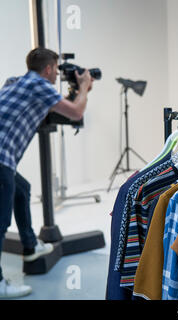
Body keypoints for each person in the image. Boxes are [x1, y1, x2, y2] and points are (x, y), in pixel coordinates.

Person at [0, 47, 93, 298]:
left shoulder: (14, 82)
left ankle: (30, 246)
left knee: (23, 189)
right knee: (0, 222)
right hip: (1, 159)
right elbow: (75, 112)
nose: (55, 76)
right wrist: (83, 86)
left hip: (4, 160)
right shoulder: (39, 85)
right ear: (50, 69)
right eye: (55, 70)